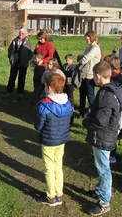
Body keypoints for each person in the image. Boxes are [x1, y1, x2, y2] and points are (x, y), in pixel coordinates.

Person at [83, 61, 122, 216]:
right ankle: (101, 190)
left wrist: (87, 121)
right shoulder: (111, 89)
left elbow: (101, 120)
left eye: (93, 75)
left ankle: (104, 202)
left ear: (98, 76)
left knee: (103, 169)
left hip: (102, 137)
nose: (93, 78)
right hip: (106, 135)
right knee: (102, 165)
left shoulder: (106, 95)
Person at [34, 74, 73, 207]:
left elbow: (38, 125)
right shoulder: (68, 104)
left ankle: (50, 196)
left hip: (48, 140)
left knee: (49, 168)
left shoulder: (44, 105)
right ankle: (59, 193)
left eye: (45, 85)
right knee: (58, 166)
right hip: (61, 140)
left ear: (50, 88)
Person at [103, 54, 122, 163]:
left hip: (119, 107)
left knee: (114, 130)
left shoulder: (118, 79)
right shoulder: (116, 76)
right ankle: (107, 150)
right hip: (114, 106)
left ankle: (112, 154)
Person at [77, 31, 101, 118]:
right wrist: (81, 57)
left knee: (90, 95)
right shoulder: (89, 48)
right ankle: (81, 112)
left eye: (86, 39)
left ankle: (95, 112)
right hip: (84, 74)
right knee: (82, 93)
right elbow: (82, 56)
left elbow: (83, 59)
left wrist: (81, 58)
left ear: (91, 38)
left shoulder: (95, 48)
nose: (86, 40)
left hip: (90, 75)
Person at [6, 28, 33, 94]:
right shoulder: (14, 41)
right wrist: (10, 58)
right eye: (20, 33)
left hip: (23, 63)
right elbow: (10, 50)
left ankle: (20, 92)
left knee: (22, 78)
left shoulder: (28, 42)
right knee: (12, 77)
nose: (21, 34)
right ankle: (9, 90)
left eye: (23, 33)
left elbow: (31, 53)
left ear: (25, 34)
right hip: (14, 63)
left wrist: (26, 60)